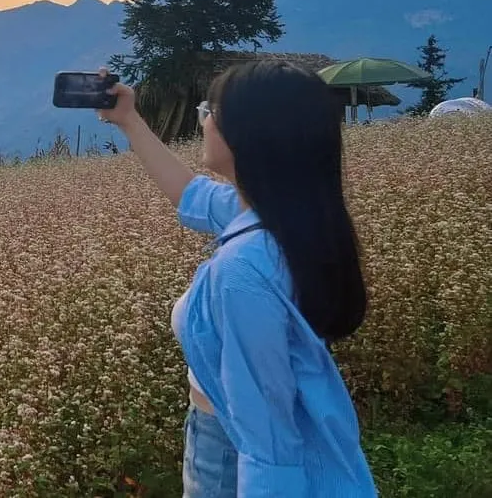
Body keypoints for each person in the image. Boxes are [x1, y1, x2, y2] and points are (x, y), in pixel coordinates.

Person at [96, 60, 377, 497]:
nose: (204, 120)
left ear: (248, 136)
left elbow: (268, 434)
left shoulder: (242, 269)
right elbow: (191, 195)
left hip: (229, 450)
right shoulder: (289, 217)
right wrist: (128, 120)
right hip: (233, 434)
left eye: (211, 111)